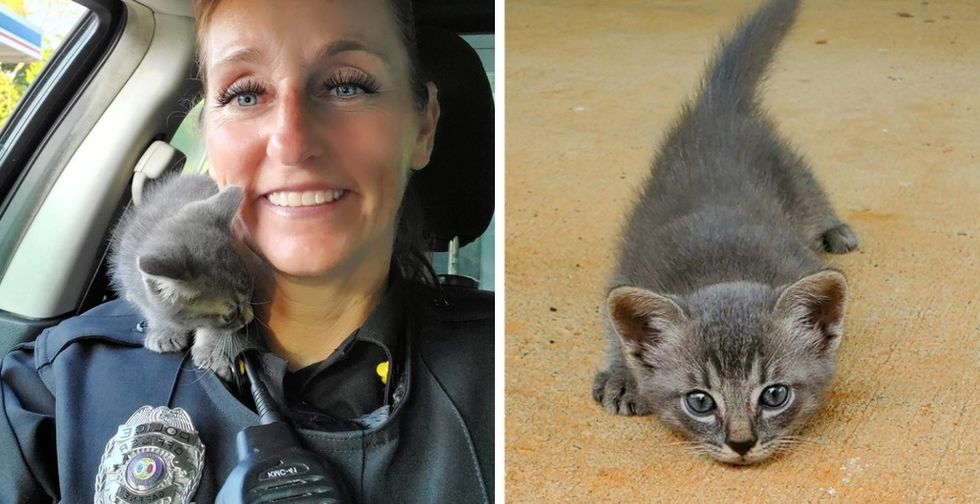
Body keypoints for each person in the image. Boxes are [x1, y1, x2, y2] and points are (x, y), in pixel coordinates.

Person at [0, 0, 494, 502]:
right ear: (210, 139)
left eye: (347, 84)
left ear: (425, 127)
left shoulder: (499, 374)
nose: (291, 141)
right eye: (245, 94)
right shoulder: (57, 393)